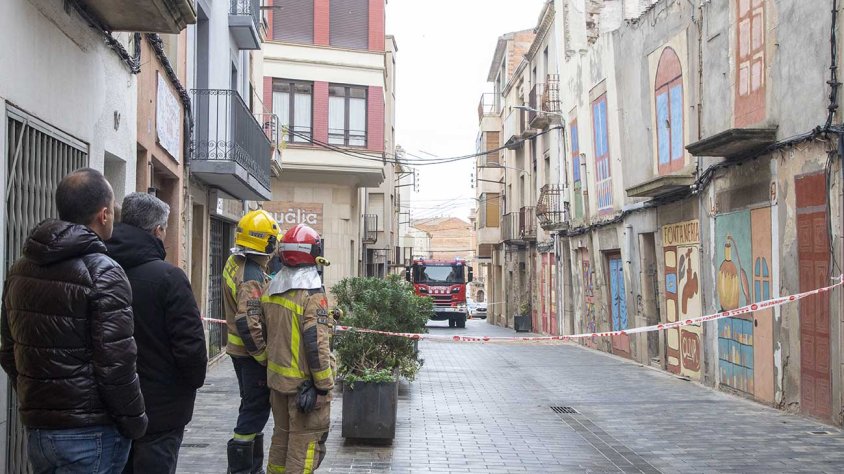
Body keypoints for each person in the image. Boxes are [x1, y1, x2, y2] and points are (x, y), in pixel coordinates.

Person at [0, 168, 147, 473]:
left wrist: (37, 398)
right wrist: (135, 422)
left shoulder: (19, 270)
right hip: (92, 432)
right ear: (104, 215)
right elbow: (117, 361)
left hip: (40, 431)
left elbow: (8, 347)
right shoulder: (103, 271)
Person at [106, 192, 208, 474]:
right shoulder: (168, 278)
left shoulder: (99, 267)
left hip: (110, 406)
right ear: (159, 230)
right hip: (160, 412)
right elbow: (191, 348)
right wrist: (189, 386)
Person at [261, 224, 336, 473]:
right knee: (303, 450)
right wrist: (324, 386)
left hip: (278, 384)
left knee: (281, 441)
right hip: (305, 389)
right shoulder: (313, 296)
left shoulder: (270, 290)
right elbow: (316, 344)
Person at [225, 209, 280, 474]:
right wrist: (263, 357)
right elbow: (248, 321)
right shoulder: (251, 275)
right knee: (254, 411)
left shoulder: (236, 262)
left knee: (251, 406)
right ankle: (245, 469)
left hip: (239, 352)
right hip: (250, 355)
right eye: (273, 239)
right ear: (267, 243)